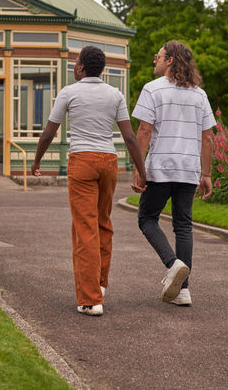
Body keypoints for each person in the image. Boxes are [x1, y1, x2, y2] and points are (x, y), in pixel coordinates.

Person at [31, 45, 145, 316]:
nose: (73, 66)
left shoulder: (69, 92)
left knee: (85, 228)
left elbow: (49, 132)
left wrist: (37, 161)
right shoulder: (115, 94)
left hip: (81, 161)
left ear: (81, 67)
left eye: (76, 62)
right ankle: (100, 284)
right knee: (103, 224)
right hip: (108, 162)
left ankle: (90, 299)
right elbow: (129, 137)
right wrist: (143, 170)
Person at [131, 40, 216, 307]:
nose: (154, 60)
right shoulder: (199, 95)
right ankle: (183, 291)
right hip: (189, 170)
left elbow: (144, 132)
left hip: (161, 168)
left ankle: (174, 264)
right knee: (183, 226)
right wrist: (206, 174)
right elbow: (209, 137)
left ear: (170, 61)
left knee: (147, 218)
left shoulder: (152, 90)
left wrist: (138, 168)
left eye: (158, 56)